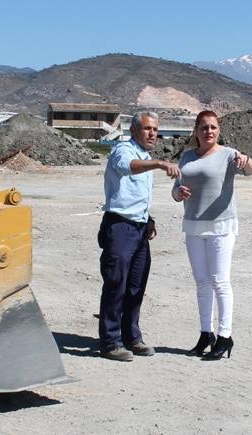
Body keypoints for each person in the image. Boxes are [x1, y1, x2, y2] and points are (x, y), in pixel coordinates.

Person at [171, 110, 252, 360]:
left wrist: (246, 159)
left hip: (221, 227)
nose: (208, 131)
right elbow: (175, 190)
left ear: (218, 130)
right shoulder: (186, 157)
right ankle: (205, 334)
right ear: (196, 131)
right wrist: (179, 194)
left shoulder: (229, 154)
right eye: (203, 127)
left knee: (220, 281)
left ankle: (225, 336)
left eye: (213, 127)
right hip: (194, 226)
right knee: (201, 283)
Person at [98, 111, 180, 362]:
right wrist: (159, 163)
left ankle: (131, 335)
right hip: (120, 227)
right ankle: (111, 341)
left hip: (139, 227)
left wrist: (148, 219)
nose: (152, 133)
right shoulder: (124, 150)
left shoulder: (144, 156)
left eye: (155, 129)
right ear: (134, 130)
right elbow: (127, 168)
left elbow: (135, 195)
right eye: (146, 129)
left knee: (136, 285)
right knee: (116, 283)